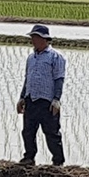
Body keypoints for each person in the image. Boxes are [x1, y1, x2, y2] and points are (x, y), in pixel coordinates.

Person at [16, 24, 67, 166]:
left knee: (52, 134)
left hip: (47, 102)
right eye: (32, 37)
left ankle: (58, 162)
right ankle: (29, 157)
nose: (33, 40)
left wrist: (56, 99)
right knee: (28, 131)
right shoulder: (31, 58)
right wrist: (22, 97)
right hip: (31, 99)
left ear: (44, 39)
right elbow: (28, 78)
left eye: (35, 37)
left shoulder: (56, 57)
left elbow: (59, 79)